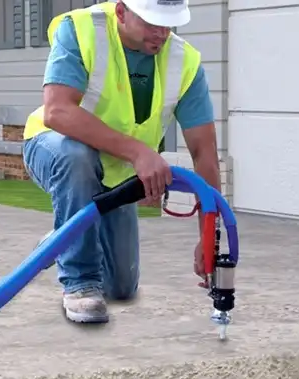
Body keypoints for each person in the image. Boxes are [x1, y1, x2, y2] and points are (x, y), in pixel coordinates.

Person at [21, 0, 221, 324]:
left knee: (121, 287)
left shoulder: (184, 61)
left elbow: (205, 153)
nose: (161, 33)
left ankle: (64, 236)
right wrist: (139, 153)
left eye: (168, 23)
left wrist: (209, 238)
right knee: (77, 158)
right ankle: (79, 283)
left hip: (115, 173)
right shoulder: (82, 30)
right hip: (54, 147)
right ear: (121, 12)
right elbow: (57, 111)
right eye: (151, 22)